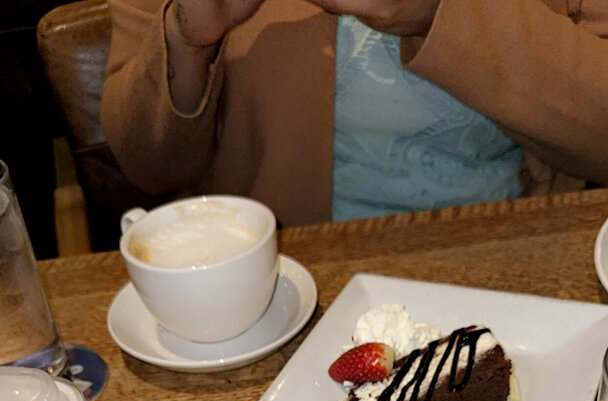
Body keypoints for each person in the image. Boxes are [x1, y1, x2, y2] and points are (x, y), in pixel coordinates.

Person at [101, 0, 608, 227]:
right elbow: (148, 166)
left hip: (512, 252)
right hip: (280, 285)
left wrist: (438, 12)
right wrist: (187, 40)